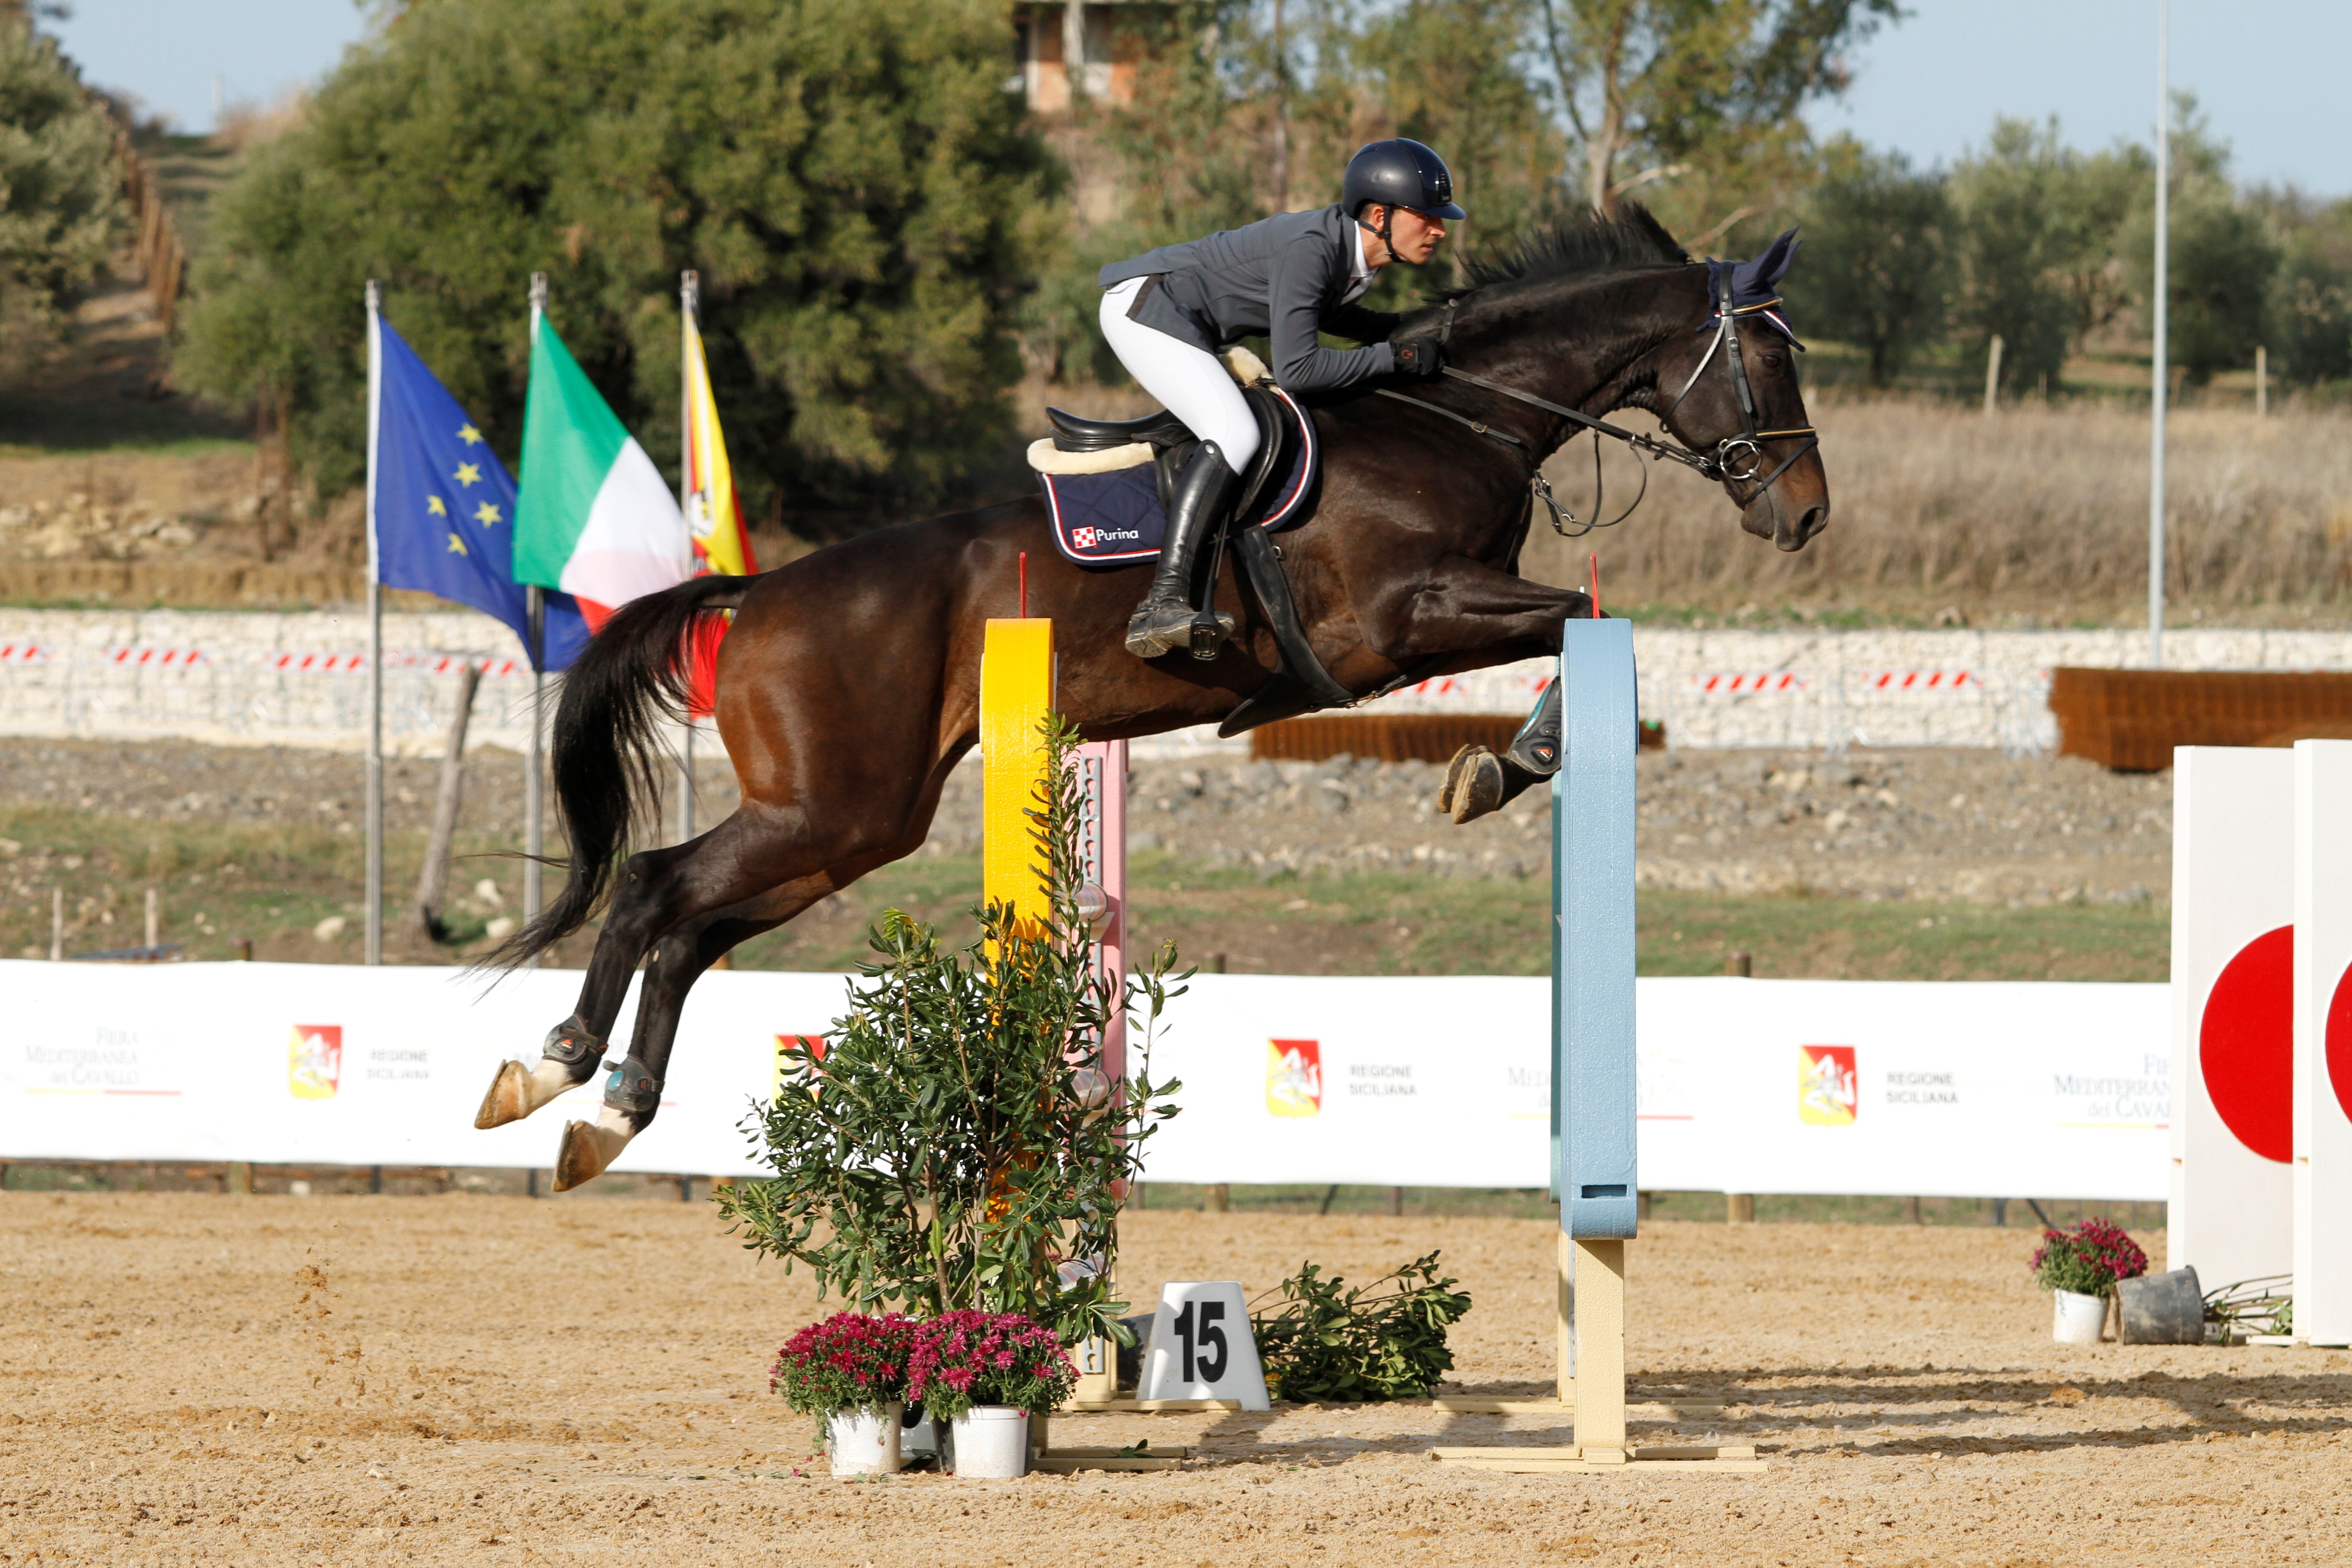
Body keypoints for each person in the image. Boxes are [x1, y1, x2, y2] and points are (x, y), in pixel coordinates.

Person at [1097, 138, 1464, 659]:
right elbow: (1300, 369)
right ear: (1380, 215)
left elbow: (1344, 320)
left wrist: (1424, 331)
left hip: (1180, 316)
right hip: (1145, 309)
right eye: (1427, 216)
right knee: (1235, 431)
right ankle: (1162, 601)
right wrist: (1396, 358)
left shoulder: (1350, 257)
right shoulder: (1313, 249)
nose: (1439, 230)